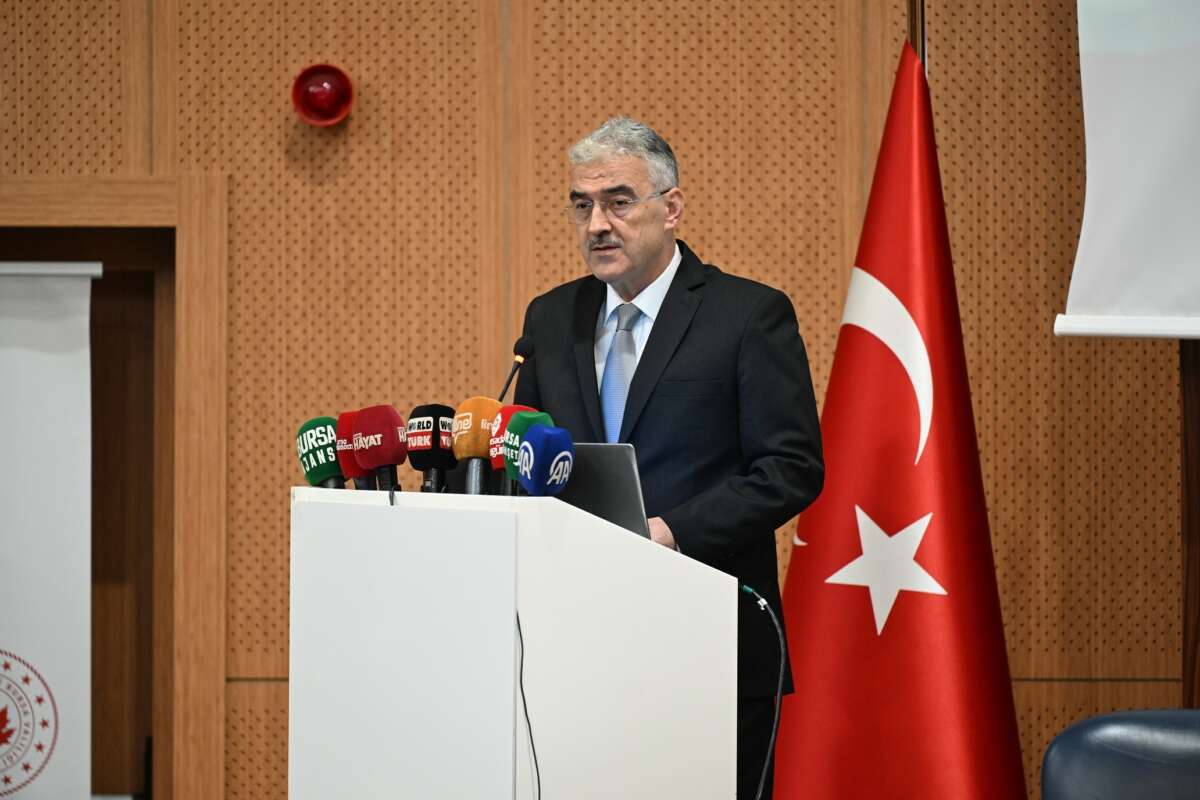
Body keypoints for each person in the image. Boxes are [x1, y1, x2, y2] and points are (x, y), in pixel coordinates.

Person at [514, 116, 824, 799]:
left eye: (618, 202)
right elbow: (527, 463)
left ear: (672, 207)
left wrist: (670, 531)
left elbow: (791, 468)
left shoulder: (748, 315)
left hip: (709, 638)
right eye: (581, 205)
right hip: (579, 642)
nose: (597, 224)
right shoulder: (550, 319)